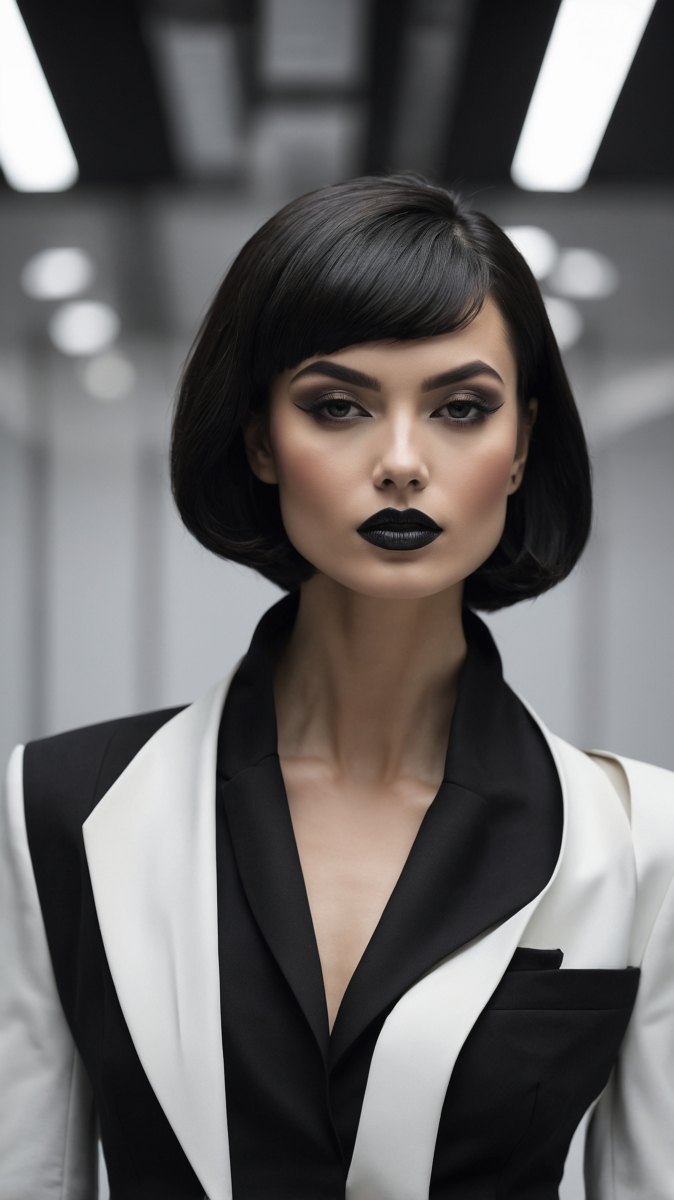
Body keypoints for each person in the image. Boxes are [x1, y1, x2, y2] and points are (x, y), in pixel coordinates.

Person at [1, 175, 673, 1200]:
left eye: (459, 408)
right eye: (337, 406)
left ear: (521, 444)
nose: (400, 462)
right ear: (262, 439)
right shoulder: (55, 806)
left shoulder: (639, 842)